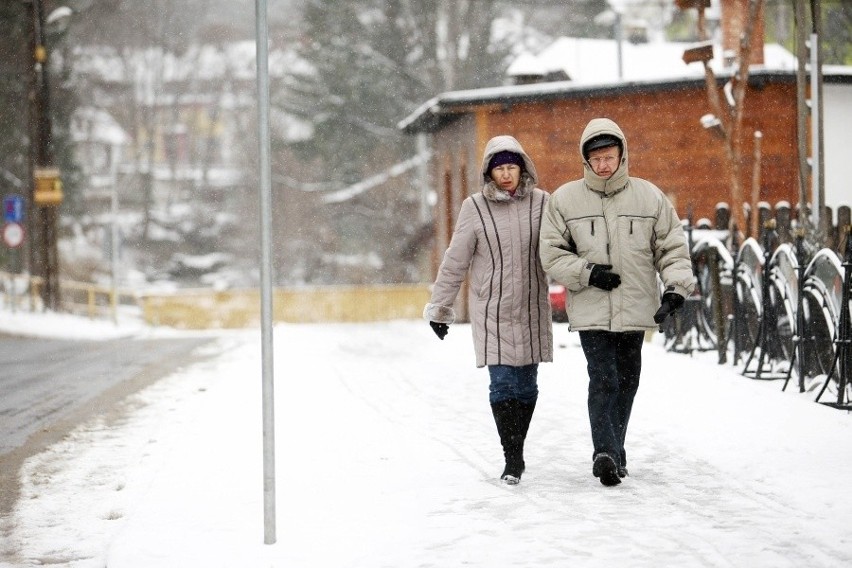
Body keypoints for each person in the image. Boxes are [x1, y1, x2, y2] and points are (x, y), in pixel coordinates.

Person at [539, 118, 696, 486]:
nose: (604, 165)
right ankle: (604, 452)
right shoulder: (565, 199)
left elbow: (671, 247)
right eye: (597, 159)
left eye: (610, 157)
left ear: (622, 156)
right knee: (604, 378)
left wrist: (674, 289)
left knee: (628, 381)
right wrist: (588, 273)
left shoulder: (650, 197)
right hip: (592, 307)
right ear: (586, 161)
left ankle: (616, 450)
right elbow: (551, 253)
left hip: (636, 307)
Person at [424, 135, 553, 485]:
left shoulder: (543, 203)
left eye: (512, 167)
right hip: (492, 309)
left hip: (531, 306)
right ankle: (512, 457)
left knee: (527, 387)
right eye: (500, 168)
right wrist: (440, 308)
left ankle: (518, 446)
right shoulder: (474, 207)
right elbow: (456, 259)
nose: (507, 174)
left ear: (522, 167)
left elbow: (561, 249)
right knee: (502, 384)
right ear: (489, 172)